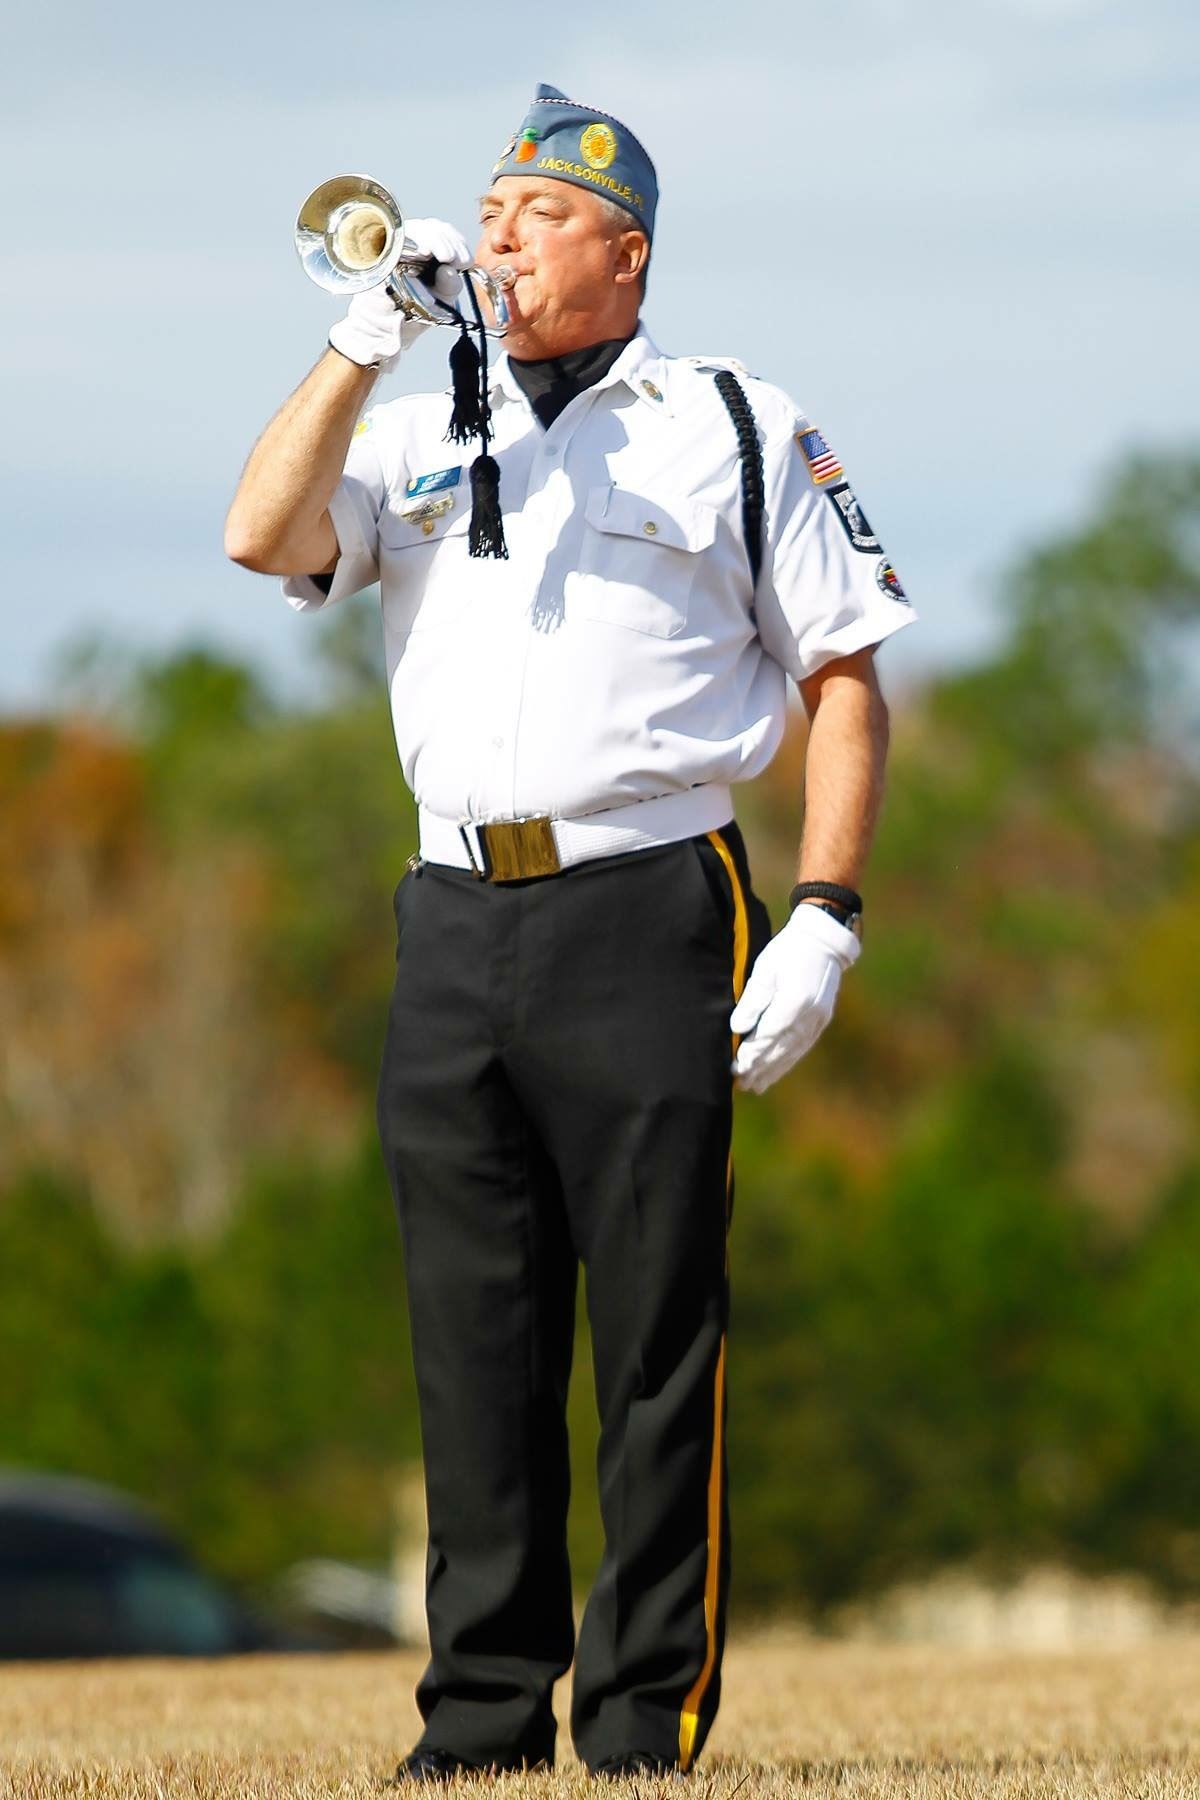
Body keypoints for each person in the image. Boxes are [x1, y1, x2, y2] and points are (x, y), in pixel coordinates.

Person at [226, 81, 914, 1782]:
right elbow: (261, 534)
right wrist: (362, 339)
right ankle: (477, 1723)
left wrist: (822, 913)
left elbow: (843, 681)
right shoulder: (412, 419)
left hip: (648, 897)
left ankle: (641, 1719)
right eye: (494, 207)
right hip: (454, 910)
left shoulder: (732, 419)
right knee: (476, 1336)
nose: (504, 237)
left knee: (658, 1335)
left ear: (626, 247)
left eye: (538, 212)